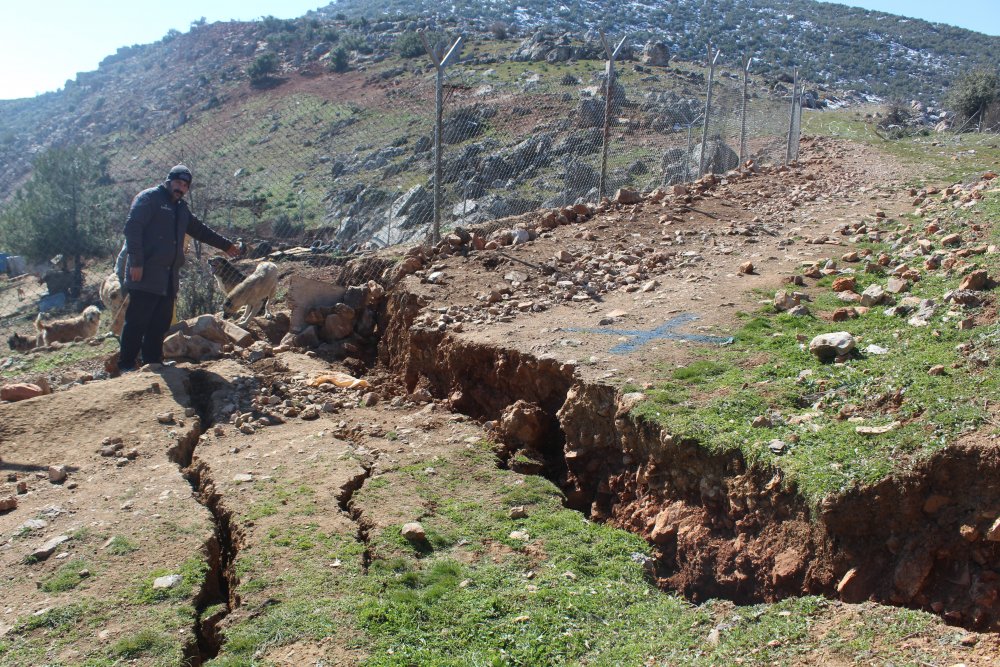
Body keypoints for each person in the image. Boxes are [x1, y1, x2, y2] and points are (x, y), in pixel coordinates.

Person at [118, 164, 240, 371]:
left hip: (168, 277)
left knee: (160, 322)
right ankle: (126, 365)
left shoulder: (181, 209)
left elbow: (200, 230)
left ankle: (153, 362)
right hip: (145, 273)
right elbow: (132, 228)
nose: (180, 187)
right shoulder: (149, 199)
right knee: (137, 321)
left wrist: (226, 246)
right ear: (168, 181)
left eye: (185, 185)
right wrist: (136, 263)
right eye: (177, 182)